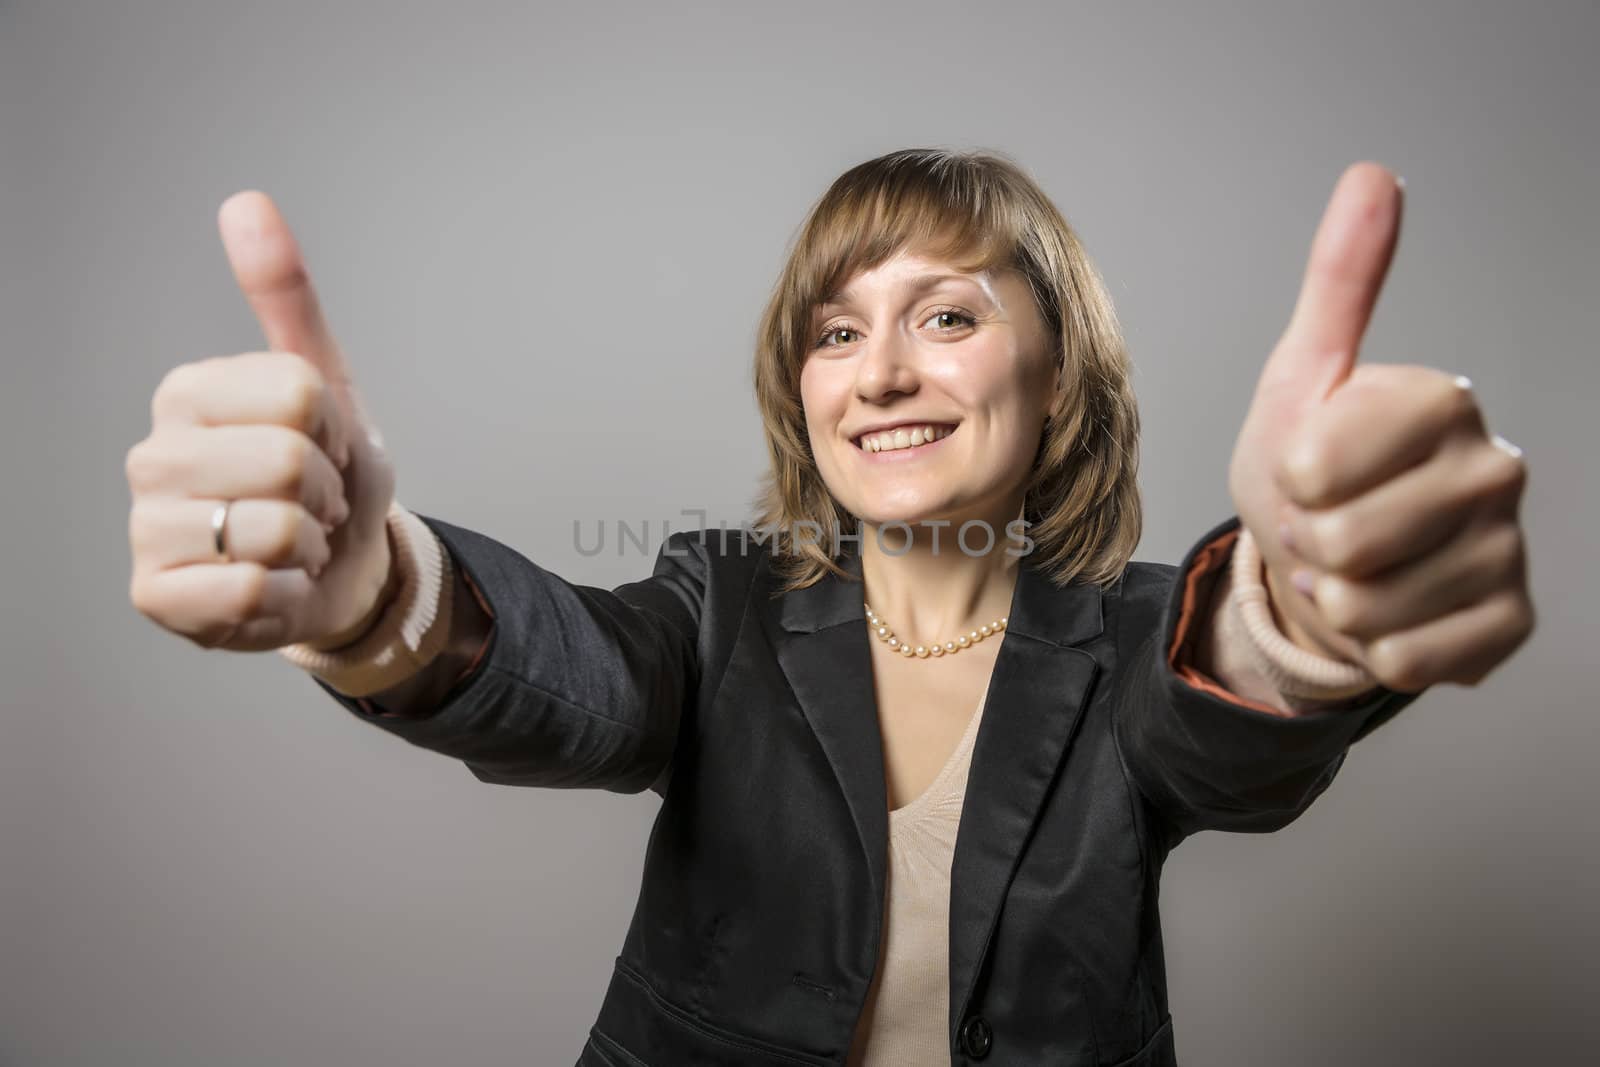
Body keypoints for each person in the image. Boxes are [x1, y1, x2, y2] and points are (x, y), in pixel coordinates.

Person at [126, 148, 1534, 1066]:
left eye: (950, 315)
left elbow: (1222, 733)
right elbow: (576, 682)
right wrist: (379, 599)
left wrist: (1295, 614)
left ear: (1058, 378)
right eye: (837, 330)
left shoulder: (1140, 633)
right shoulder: (717, 604)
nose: (878, 375)